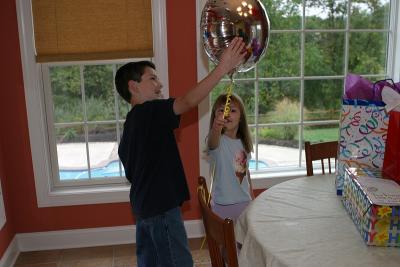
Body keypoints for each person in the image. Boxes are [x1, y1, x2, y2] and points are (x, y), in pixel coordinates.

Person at [115, 37, 245, 267]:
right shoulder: (149, 112)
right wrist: (223, 67)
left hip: (144, 210)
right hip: (162, 210)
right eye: (152, 78)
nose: (160, 84)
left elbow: (131, 171)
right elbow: (187, 101)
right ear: (133, 86)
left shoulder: (132, 123)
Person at [206, 93, 255, 221]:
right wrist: (216, 127)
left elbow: (246, 173)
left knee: (243, 241)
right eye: (222, 110)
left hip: (244, 202)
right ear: (215, 116)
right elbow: (211, 142)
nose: (226, 113)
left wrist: (252, 197)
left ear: (241, 118)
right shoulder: (217, 141)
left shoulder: (244, 142)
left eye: (232, 110)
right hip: (221, 204)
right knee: (224, 241)